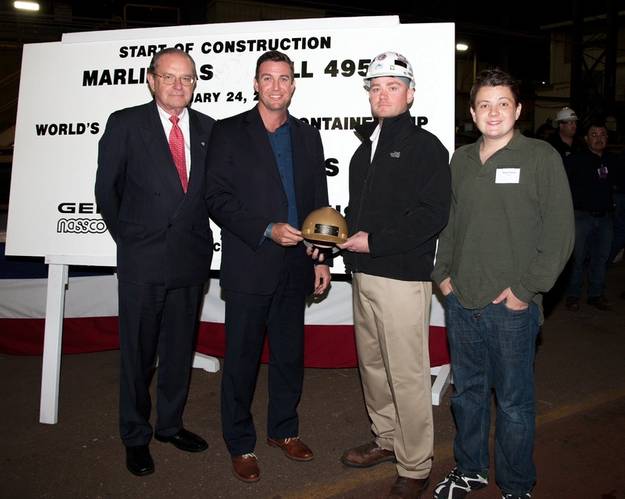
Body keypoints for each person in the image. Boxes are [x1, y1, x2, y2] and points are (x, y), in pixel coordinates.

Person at [431, 69, 574, 499]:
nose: (494, 113)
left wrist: (525, 291)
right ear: (473, 112)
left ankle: (515, 484)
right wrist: (443, 276)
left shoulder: (540, 158)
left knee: (513, 404)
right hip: (462, 301)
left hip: (511, 307)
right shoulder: (460, 160)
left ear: (519, 110)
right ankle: (470, 468)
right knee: (467, 394)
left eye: (503, 104)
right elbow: (451, 224)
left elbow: (560, 233)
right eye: (485, 105)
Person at [204, 50, 331, 483]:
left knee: (289, 356)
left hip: (297, 266)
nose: (276, 86)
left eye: (284, 78)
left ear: (293, 85)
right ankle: (240, 443)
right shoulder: (227, 132)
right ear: (255, 84)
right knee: (240, 359)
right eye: (268, 78)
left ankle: (284, 431)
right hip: (249, 264)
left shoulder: (308, 135)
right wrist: (265, 228)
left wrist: (321, 256)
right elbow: (216, 198)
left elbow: (319, 203)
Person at [95, 48, 215, 476]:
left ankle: (169, 425)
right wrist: (130, 237)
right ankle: (135, 434)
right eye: (169, 77)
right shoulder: (125, 124)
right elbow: (107, 191)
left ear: (195, 83)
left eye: (186, 78)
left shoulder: (207, 129)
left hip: (190, 260)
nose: (178, 85)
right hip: (143, 261)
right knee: (138, 355)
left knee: (179, 351)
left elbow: (212, 196)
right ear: (151, 80)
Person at [338, 51, 451, 499]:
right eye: (375, 87)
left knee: (406, 373)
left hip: (402, 277)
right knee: (374, 367)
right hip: (364, 274)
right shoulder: (364, 149)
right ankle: (386, 439)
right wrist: (336, 236)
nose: (382, 94)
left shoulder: (426, 147)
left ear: (410, 93)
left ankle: (416, 462)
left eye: (392, 86)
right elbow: (357, 213)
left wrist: (376, 242)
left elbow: (432, 215)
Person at [564, 122, 616, 311]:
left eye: (602, 134)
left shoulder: (612, 160)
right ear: (586, 139)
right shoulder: (575, 160)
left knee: (600, 258)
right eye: (593, 134)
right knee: (577, 259)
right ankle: (573, 295)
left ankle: (596, 294)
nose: (598, 138)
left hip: (605, 218)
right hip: (581, 217)